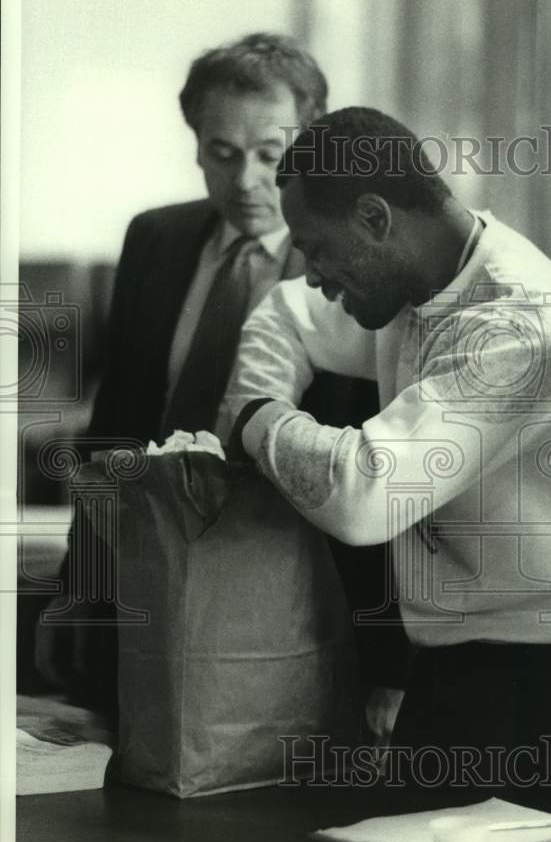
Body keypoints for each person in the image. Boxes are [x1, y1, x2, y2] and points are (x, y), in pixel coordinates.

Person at [222, 106, 551, 819]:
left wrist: (255, 420)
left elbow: (365, 496)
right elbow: (282, 315)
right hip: (455, 657)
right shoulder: (410, 278)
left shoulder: (522, 326)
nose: (313, 277)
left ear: (374, 218)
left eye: (316, 250)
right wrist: (260, 389)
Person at [37, 38, 407, 727]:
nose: (246, 181)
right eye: (222, 153)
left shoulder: (357, 261)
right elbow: (113, 431)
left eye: (272, 155)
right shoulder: (155, 239)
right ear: (196, 144)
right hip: (151, 582)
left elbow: (385, 469)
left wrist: (387, 663)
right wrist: (77, 587)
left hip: (298, 604)